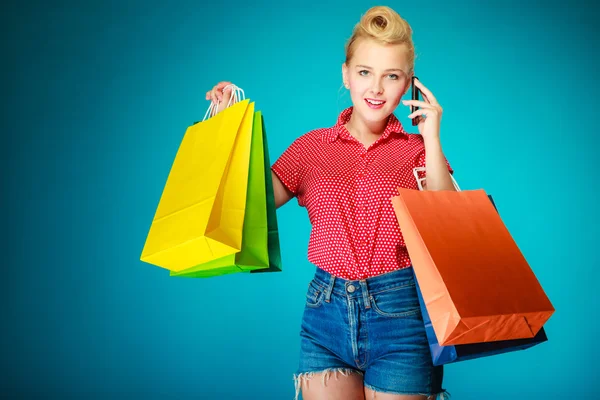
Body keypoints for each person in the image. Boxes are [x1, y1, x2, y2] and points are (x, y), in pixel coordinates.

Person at [206, 6, 454, 400]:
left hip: (401, 312)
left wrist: (433, 138)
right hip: (326, 312)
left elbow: (450, 220)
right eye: (364, 72)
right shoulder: (310, 148)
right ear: (346, 74)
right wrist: (224, 125)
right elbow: (247, 203)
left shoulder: (417, 152)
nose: (376, 88)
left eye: (391, 76)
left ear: (409, 84)